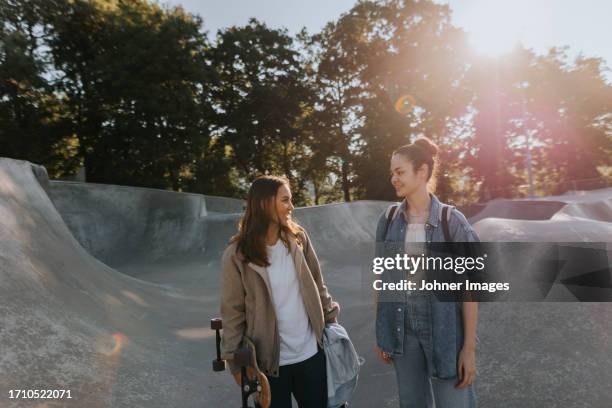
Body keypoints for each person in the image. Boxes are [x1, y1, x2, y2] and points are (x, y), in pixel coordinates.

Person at [374, 137, 479, 408]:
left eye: (400, 172)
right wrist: (382, 330)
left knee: (454, 402)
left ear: (421, 172)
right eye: (392, 173)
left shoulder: (451, 221)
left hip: (445, 327)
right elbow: (381, 279)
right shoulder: (388, 221)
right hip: (402, 326)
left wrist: (468, 349)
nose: (394, 179)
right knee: (412, 403)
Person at [220, 175, 340, 408]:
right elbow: (233, 312)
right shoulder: (237, 254)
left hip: (311, 356)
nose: (291, 207)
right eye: (285, 200)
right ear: (265, 204)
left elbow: (317, 283)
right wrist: (235, 361)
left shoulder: (298, 239)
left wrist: (331, 323)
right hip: (268, 365)